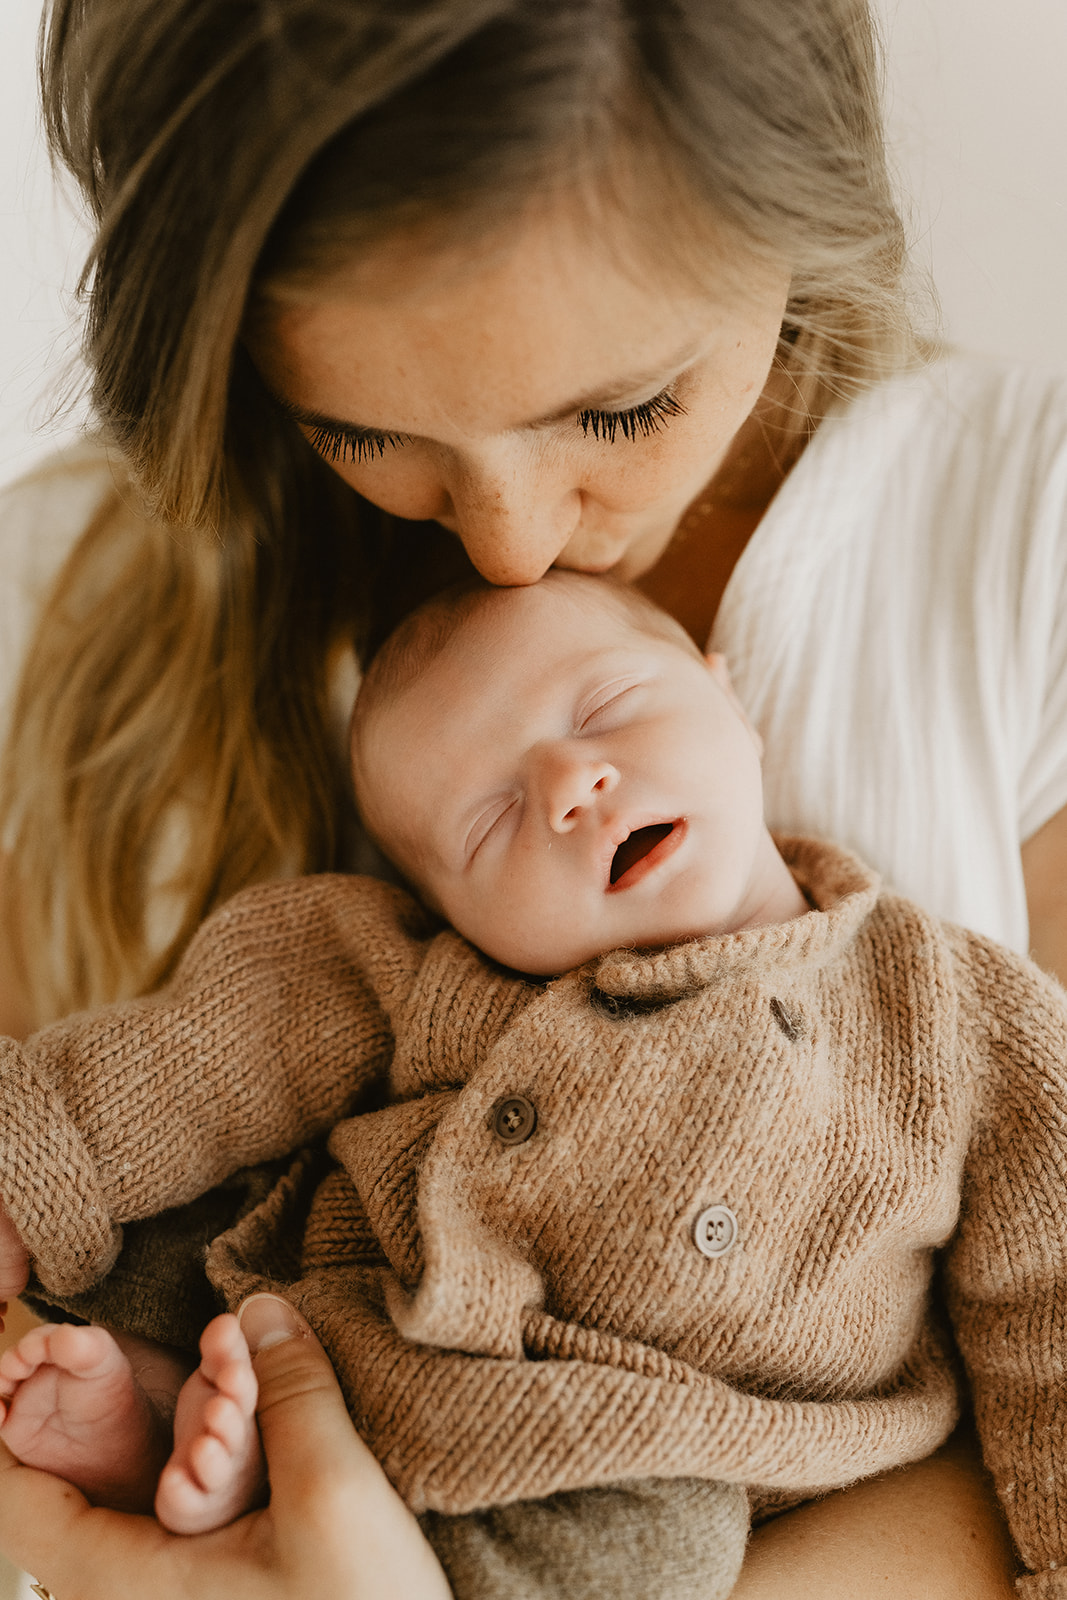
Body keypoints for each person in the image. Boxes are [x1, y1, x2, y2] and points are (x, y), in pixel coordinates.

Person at [0, 0, 1058, 1593]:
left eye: (621, 408)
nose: (506, 543)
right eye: (358, 428)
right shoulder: (56, 615)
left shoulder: (1018, 560)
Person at [0, 571, 1065, 1600]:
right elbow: (225, 1039)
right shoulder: (449, 977)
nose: (567, 786)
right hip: (357, 1321)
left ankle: (241, 1488)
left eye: (605, 707)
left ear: (728, 697)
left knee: (657, 1553)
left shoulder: (942, 1006)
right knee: (166, 1226)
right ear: (453, 912)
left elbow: (1048, 1280)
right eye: (489, 823)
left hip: (649, 1441)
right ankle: (159, 1407)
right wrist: (34, 1157)